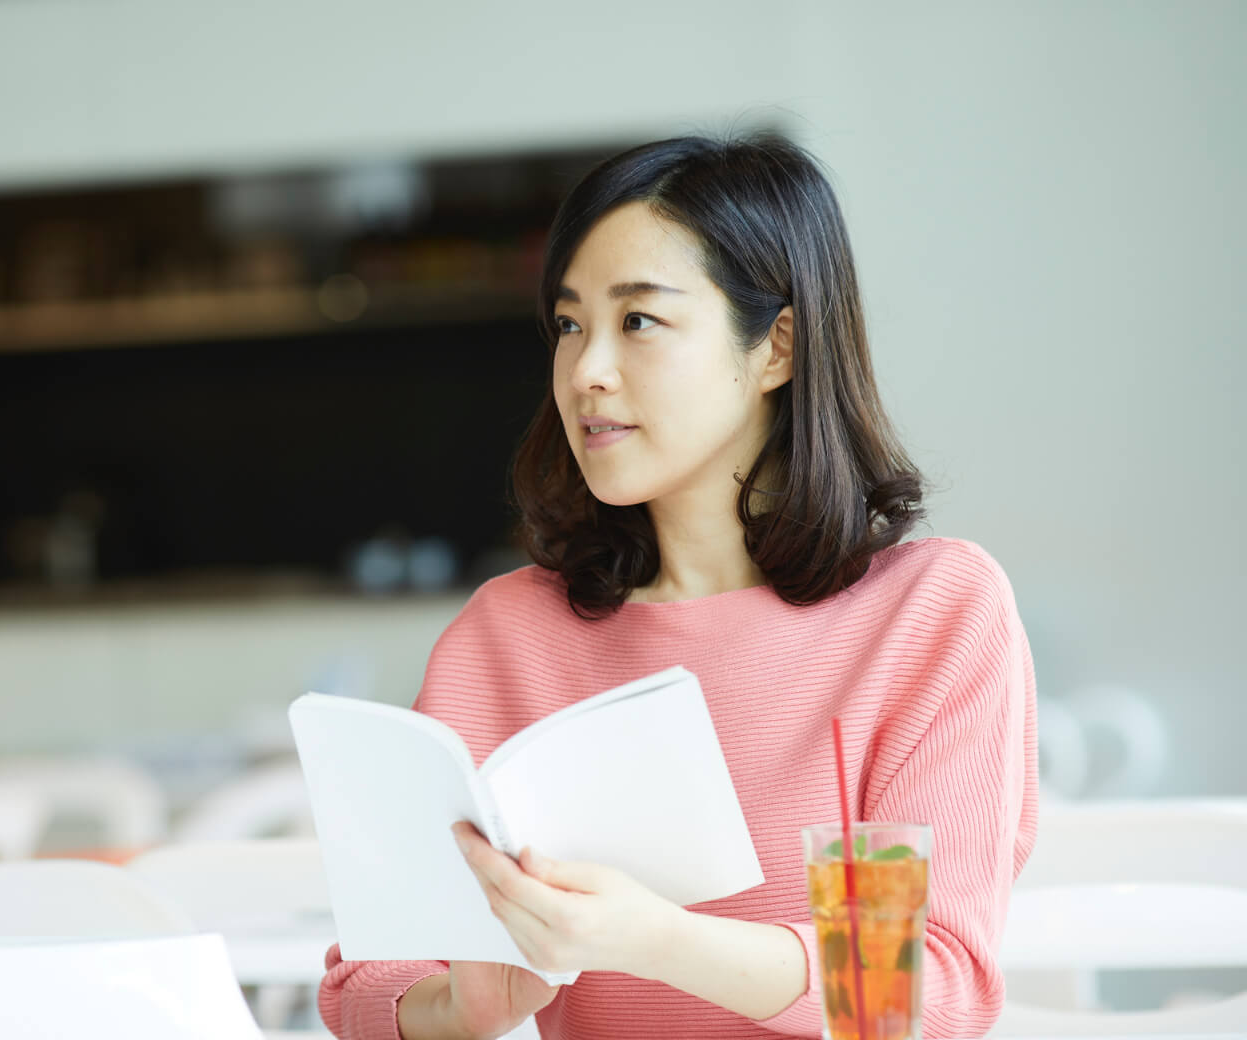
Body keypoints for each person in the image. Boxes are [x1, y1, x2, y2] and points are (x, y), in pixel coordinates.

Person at [316, 131, 1039, 1040]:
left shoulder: (925, 617)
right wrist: (460, 1009)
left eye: (640, 321)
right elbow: (368, 984)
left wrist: (656, 940)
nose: (588, 372)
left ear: (777, 347)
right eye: (570, 324)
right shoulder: (509, 637)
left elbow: (922, 990)